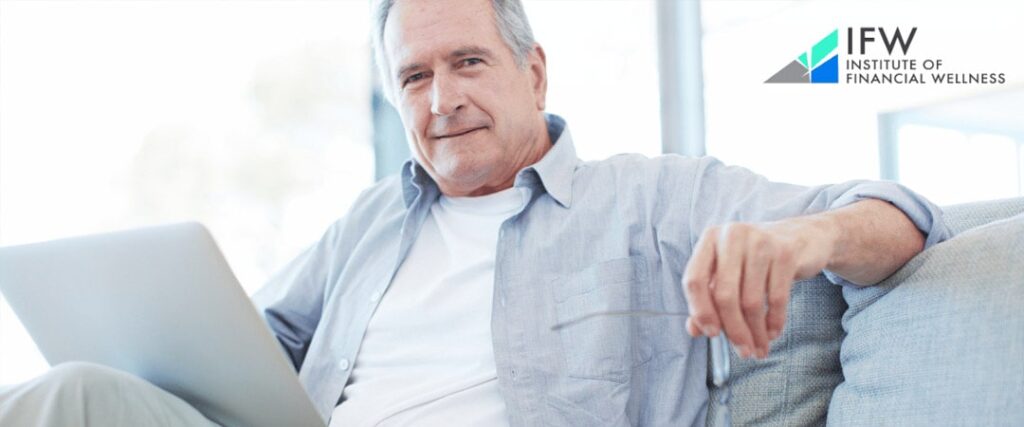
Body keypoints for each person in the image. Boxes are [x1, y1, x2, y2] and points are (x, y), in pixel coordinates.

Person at [0, 0, 949, 425]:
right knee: (65, 394)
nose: (441, 97)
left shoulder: (649, 195)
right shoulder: (370, 223)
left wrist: (804, 236)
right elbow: (237, 350)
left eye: (467, 62)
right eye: (413, 75)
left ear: (533, 71)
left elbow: (899, 215)